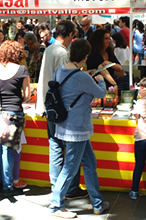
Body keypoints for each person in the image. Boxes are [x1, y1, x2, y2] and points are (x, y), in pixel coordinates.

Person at [48, 38, 109, 218]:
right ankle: (55, 205)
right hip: (77, 128)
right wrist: (100, 79)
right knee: (70, 169)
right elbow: (101, 93)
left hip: (65, 124)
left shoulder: (60, 71)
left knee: (89, 163)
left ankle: (97, 202)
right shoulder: (82, 76)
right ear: (86, 56)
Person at [35, 20, 88, 199]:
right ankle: (69, 187)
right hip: (62, 107)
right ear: (71, 35)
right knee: (69, 148)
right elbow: (67, 82)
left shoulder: (50, 49)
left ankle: (55, 185)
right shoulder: (62, 53)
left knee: (55, 146)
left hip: (49, 104)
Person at [0, 40, 31, 197]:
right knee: (8, 149)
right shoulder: (22, 70)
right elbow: (28, 95)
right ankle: (8, 185)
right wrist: (18, 101)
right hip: (12, 114)